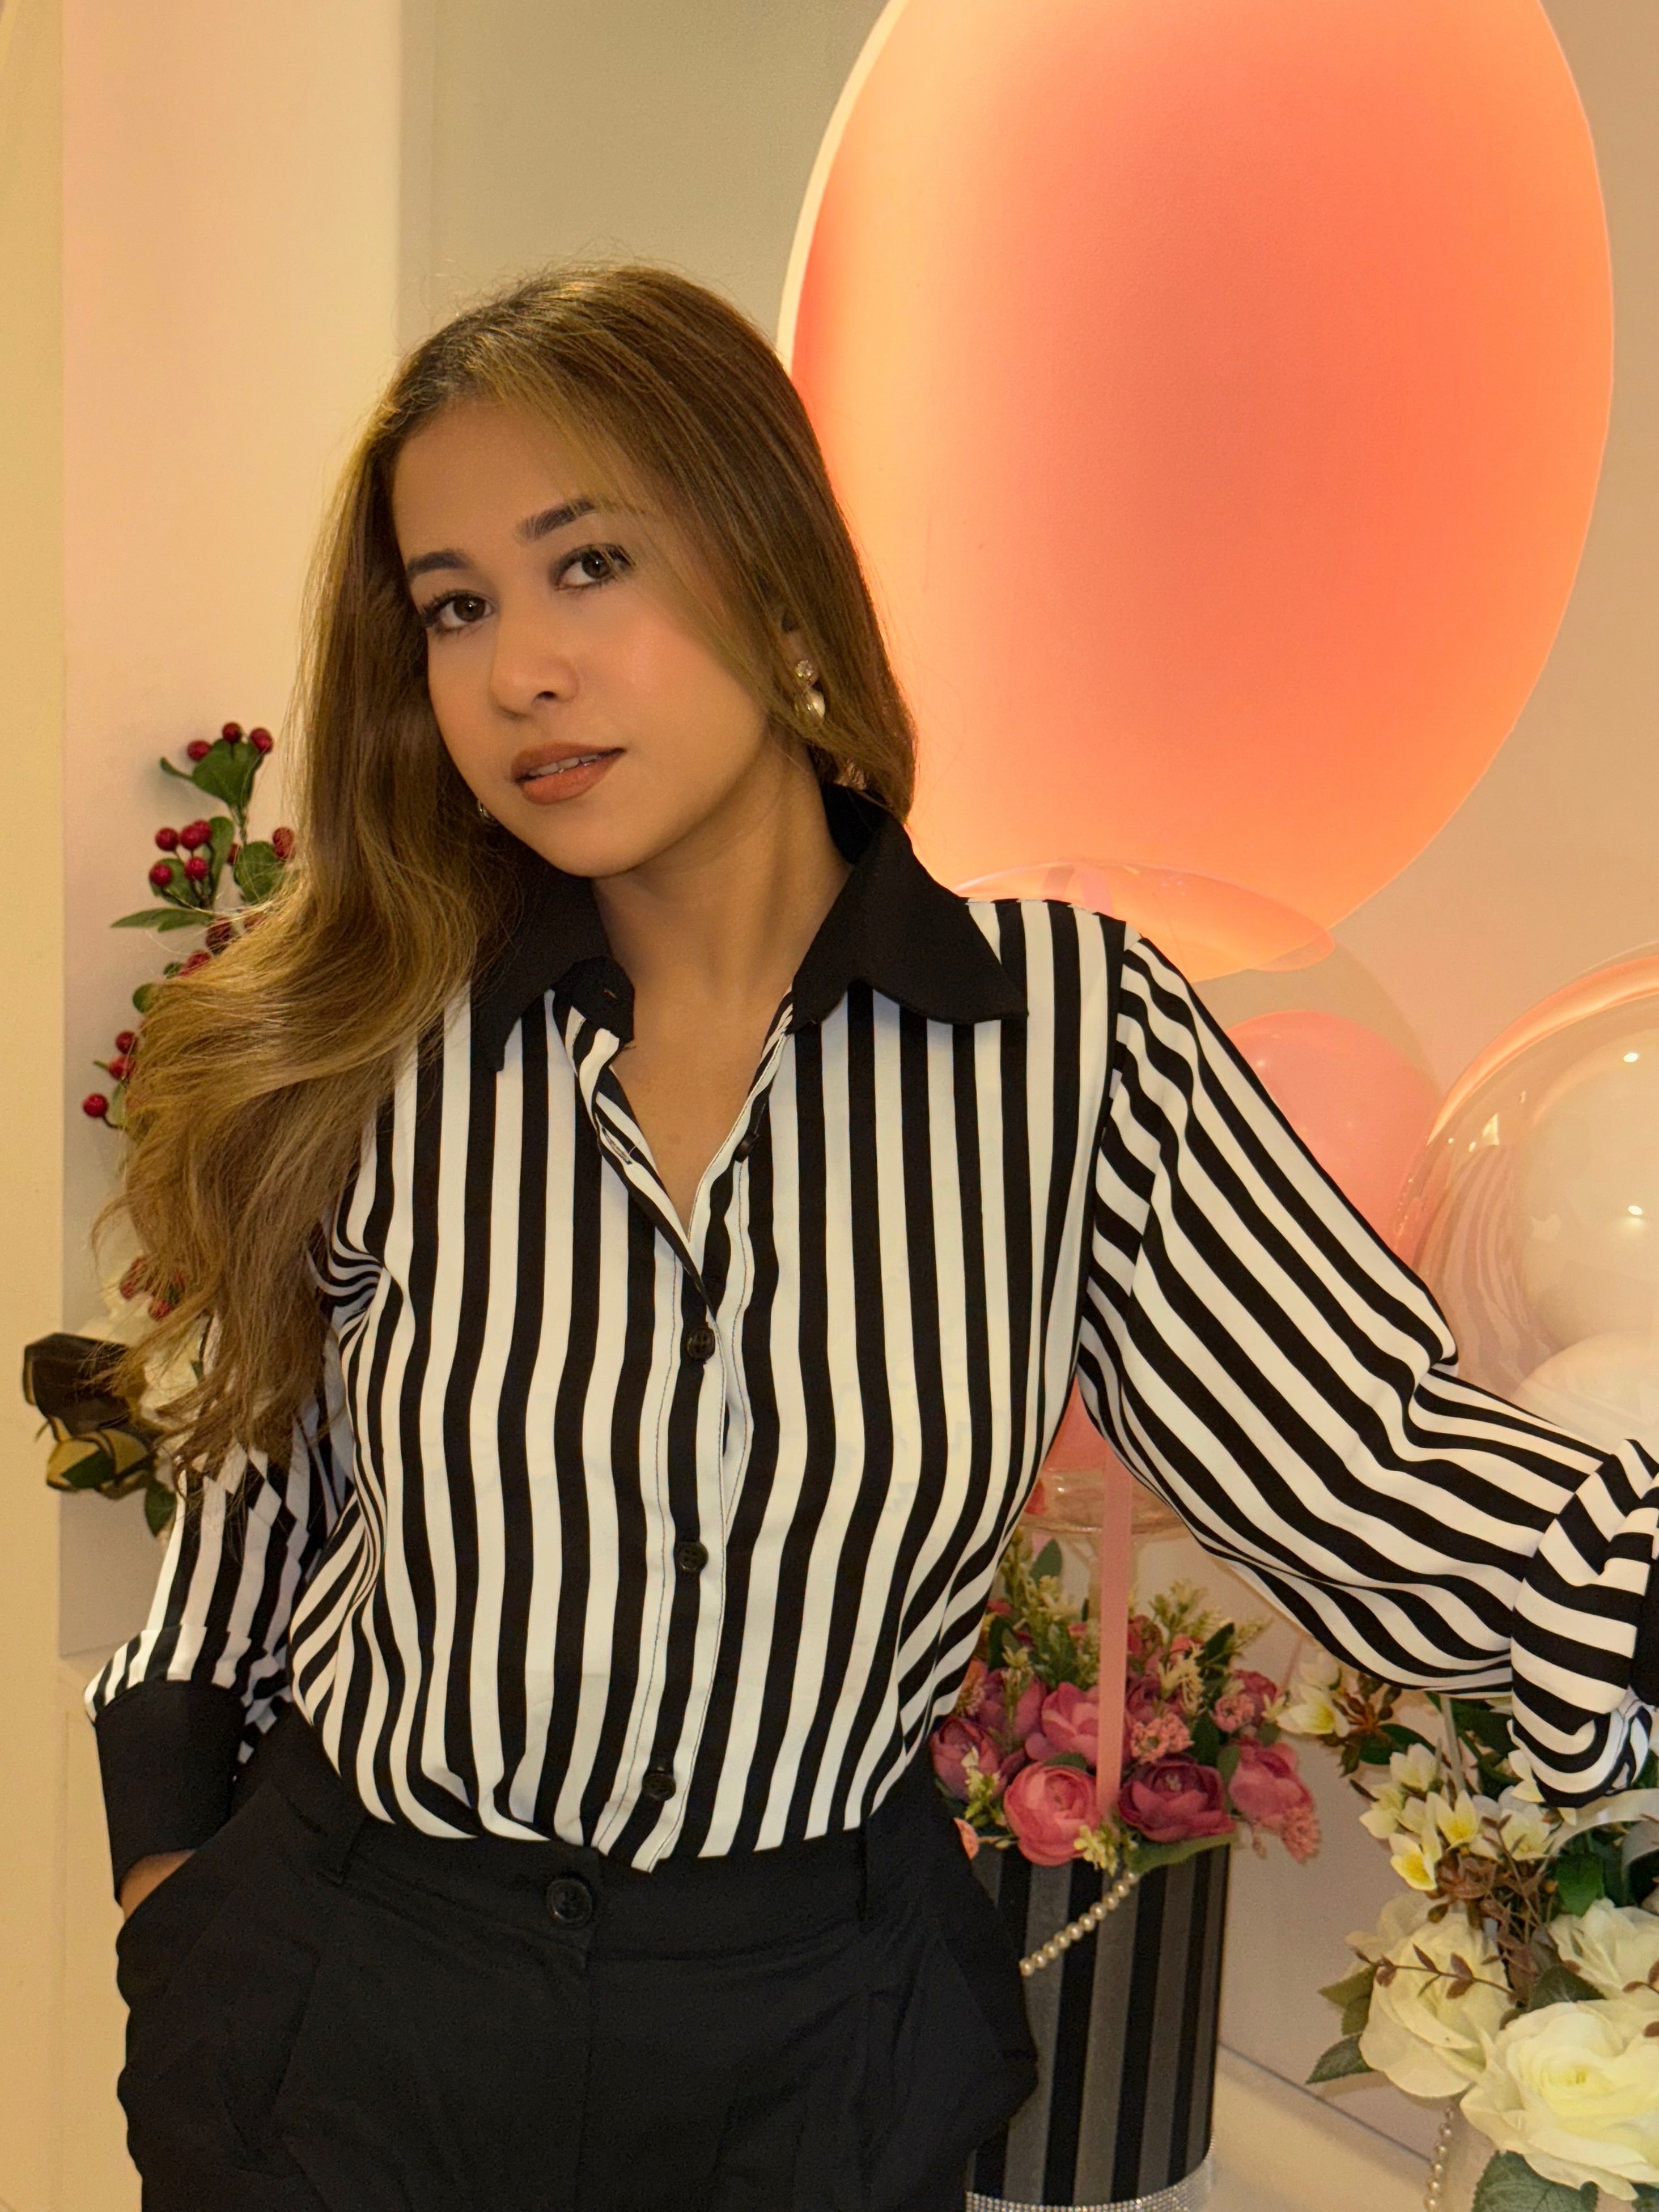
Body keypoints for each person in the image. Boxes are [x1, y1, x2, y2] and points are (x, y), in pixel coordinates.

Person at [87, 262, 1659, 2212]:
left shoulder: (1068, 1040)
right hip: (357, 2016)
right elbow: (260, 1503)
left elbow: (1375, 1464)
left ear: (773, 577)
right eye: (456, 606)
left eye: (590, 565)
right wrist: (171, 1896)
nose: (519, 672)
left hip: (804, 2050)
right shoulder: (387, 1029)